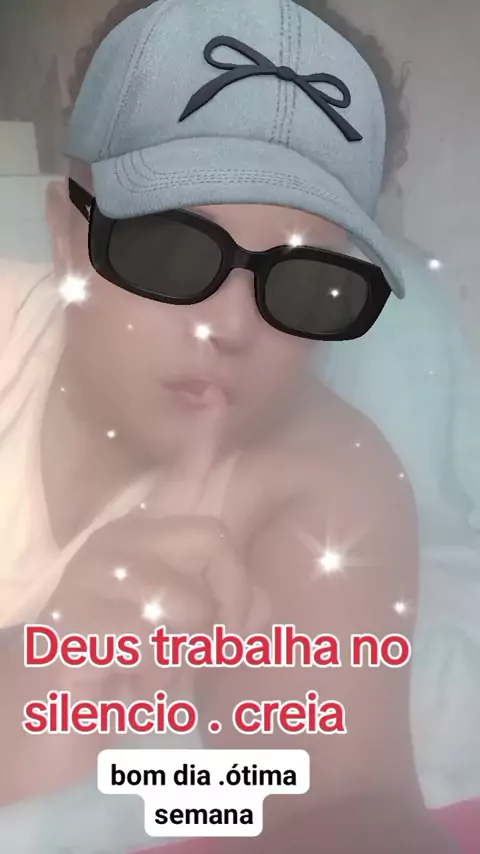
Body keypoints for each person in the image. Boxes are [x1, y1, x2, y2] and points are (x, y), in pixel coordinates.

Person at [0, 0, 474, 852]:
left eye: (306, 280)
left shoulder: (322, 476)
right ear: (69, 238)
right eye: (171, 248)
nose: (232, 326)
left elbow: (338, 804)